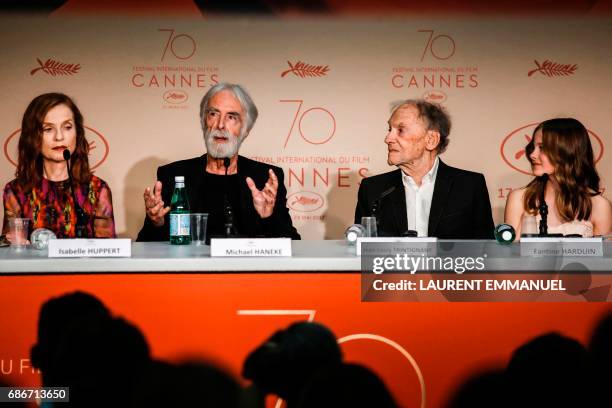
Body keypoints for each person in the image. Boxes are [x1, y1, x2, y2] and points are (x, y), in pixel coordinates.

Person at [137, 83, 300, 241]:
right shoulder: (174, 175)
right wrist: (156, 223)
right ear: (204, 122)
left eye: (231, 117)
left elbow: (292, 242)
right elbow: (145, 246)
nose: (220, 125)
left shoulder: (264, 178)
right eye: (213, 114)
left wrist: (268, 218)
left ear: (246, 130)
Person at [355, 99, 494, 239]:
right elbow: (362, 250)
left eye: (400, 130)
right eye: (390, 130)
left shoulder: (470, 186)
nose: (388, 138)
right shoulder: (373, 189)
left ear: (431, 139)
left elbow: (486, 249)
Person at [2, 93, 116, 240]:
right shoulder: (16, 191)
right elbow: (10, 251)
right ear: (32, 136)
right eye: (48, 129)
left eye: (67, 127)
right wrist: (16, 246)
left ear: (77, 133)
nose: (59, 137)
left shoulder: (97, 189)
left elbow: (108, 254)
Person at [504, 118, 611, 238]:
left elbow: (603, 256)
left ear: (567, 151)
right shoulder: (520, 199)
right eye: (533, 147)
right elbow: (511, 254)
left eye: (542, 148)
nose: (532, 155)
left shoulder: (599, 206)